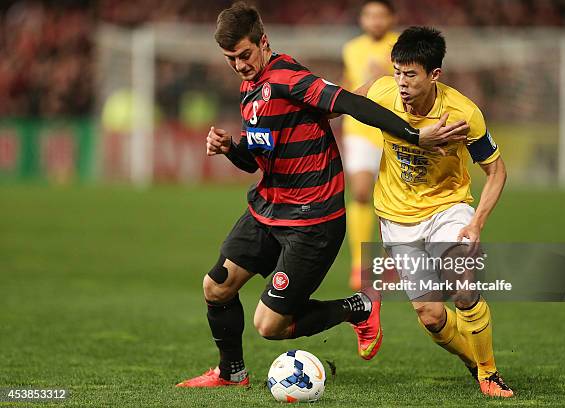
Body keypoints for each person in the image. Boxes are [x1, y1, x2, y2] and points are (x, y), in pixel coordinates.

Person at [176, 4, 468, 388]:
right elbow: (255, 161)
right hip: (269, 209)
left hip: (312, 220)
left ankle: (358, 308)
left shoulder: (289, 77)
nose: (239, 65)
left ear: (263, 41)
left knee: (271, 325)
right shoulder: (251, 88)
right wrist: (232, 148)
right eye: (231, 59)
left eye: (245, 55)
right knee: (216, 286)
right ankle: (232, 373)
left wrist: (415, 136)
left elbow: (349, 103)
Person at [355, 27, 513, 397]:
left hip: (448, 208)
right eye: (397, 71)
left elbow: (497, 170)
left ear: (434, 75)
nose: (401, 82)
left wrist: (476, 223)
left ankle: (490, 374)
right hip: (396, 216)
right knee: (431, 315)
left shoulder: (462, 113)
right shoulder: (382, 92)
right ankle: (474, 361)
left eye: (410, 74)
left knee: (463, 282)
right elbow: (344, 102)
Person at [342, 0, 399, 291]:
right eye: (369, 15)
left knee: (393, 201)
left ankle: (395, 261)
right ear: (362, 19)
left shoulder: (403, 46)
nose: (375, 20)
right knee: (362, 192)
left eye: (381, 15)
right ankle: (359, 265)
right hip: (360, 129)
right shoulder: (351, 48)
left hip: (393, 130)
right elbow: (349, 83)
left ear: (391, 18)